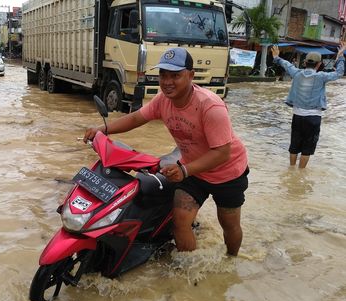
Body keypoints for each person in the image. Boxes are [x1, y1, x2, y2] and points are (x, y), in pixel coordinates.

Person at [84, 48, 249, 256]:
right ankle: (188, 270)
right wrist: (103, 130)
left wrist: (185, 170)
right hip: (194, 172)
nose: (167, 81)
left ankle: (231, 260)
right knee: (180, 220)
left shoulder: (210, 106)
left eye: (175, 75)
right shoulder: (163, 101)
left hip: (227, 173)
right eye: (163, 75)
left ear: (190, 76)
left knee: (229, 225)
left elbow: (222, 153)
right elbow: (136, 118)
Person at [271, 41, 345, 168]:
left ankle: (291, 169)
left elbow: (286, 64)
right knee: (307, 146)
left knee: (294, 144)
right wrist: (340, 57)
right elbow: (339, 73)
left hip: (297, 116)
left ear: (305, 63)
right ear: (319, 64)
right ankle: (300, 173)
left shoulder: (296, 73)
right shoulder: (322, 76)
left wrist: (276, 57)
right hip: (314, 118)